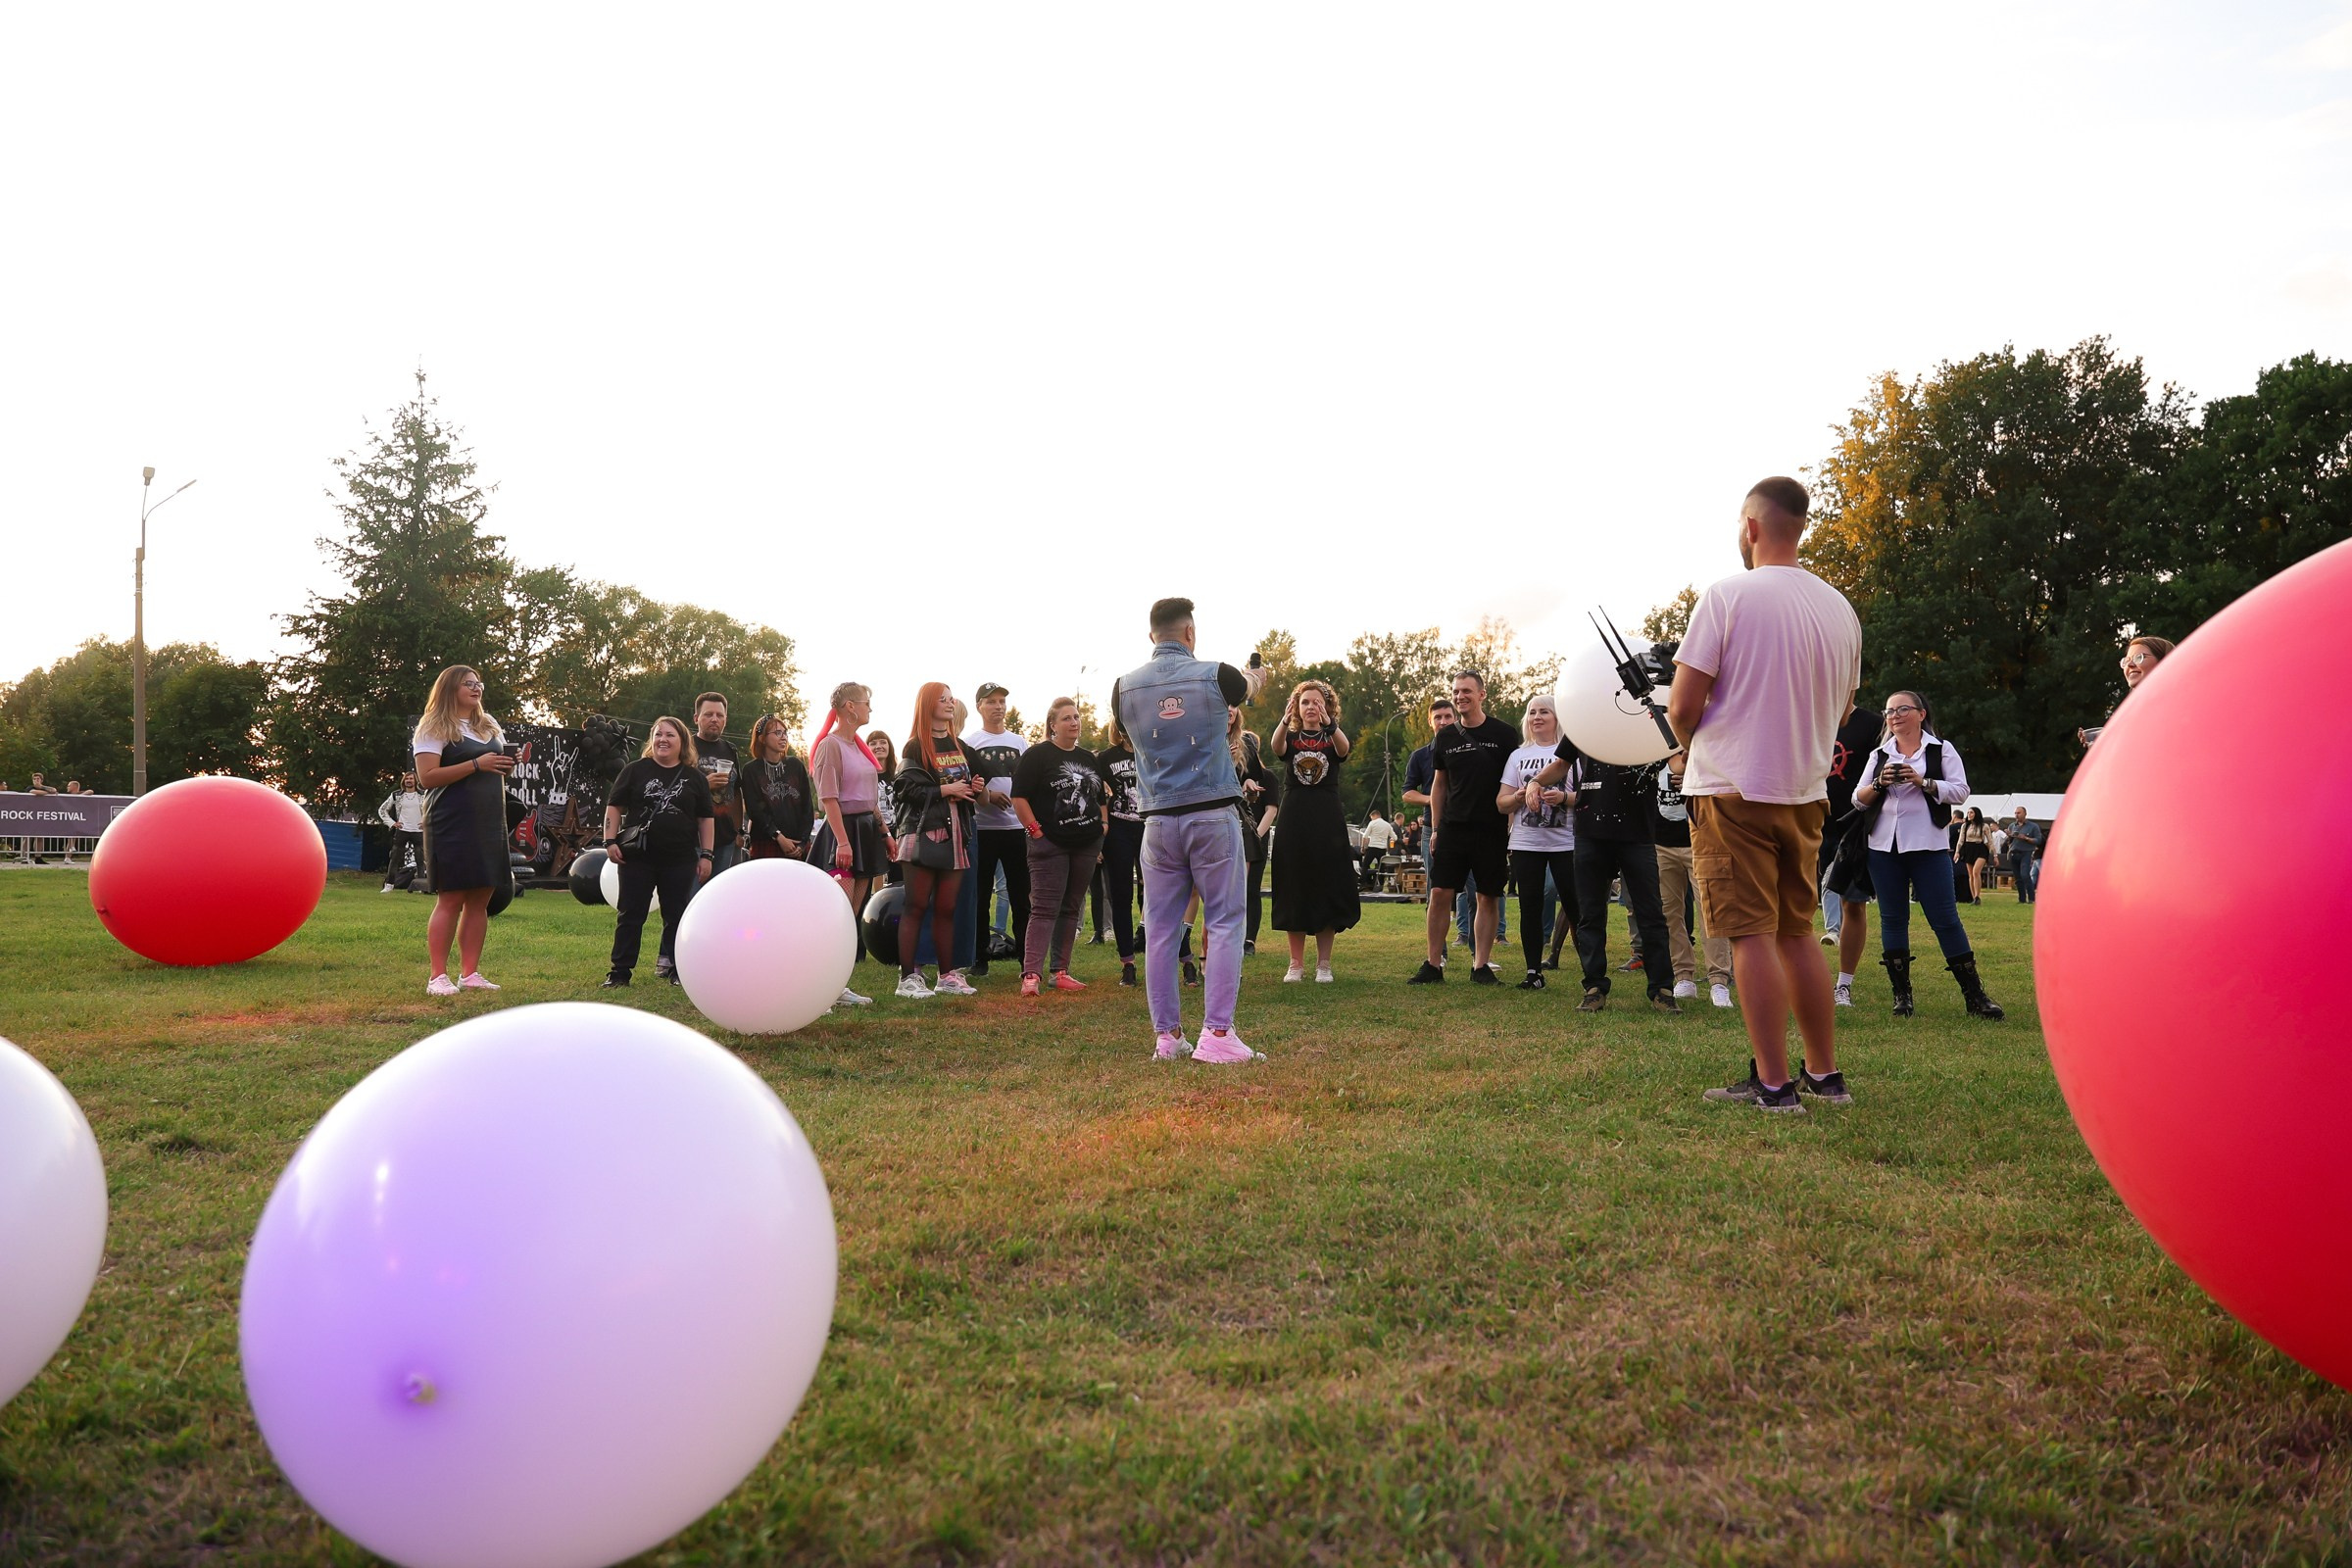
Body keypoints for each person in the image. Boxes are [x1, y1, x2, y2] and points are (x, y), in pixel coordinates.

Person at [1668, 476, 1863, 1113]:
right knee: (1796, 932)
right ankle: (1825, 1076)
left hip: (1729, 786)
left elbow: (1683, 705)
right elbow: (1842, 710)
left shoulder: (1726, 596)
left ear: (1751, 527)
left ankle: (1775, 1086)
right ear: (1799, 526)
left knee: (1748, 934)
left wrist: (1685, 745)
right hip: (1805, 794)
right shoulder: (1839, 609)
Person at [1110, 596, 1268, 1062]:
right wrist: (1257, 672)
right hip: (1212, 813)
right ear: (1190, 633)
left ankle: (1167, 1037)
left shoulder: (1122, 687)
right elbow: (1251, 685)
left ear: (1152, 635)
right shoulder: (1217, 675)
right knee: (1223, 921)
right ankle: (1217, 1036)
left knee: (1159, 928)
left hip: (1156, 820)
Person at [1849, 691, 2005, 1020]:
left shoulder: (1941, 750)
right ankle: (1901, 996)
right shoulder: (1879, 754)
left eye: (1902, 709)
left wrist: (1925, 782)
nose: (1894, 715)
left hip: (1929, 846)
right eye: (1889, 711)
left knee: (1945, 919)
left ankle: (1974, 995)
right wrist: (1879, 783)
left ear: (1921, 714)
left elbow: (1961, 791)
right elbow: (1858, 800)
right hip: (1883, 847)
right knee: (1893, 919)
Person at [1533, 743, 1677, 1013]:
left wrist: (1687, 767)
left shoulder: (1645, 715)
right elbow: (1562, 763)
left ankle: (1662, 990)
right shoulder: (1585, 715)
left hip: (1638, 833)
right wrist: (1535, 781)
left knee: (1651, 913)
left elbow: (1677, 756)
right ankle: (1594, 988)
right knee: (1590, 914)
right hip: (1590, 832)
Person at [410, 664, 516, 996]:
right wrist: (476, 764)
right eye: (468, 684)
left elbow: (491, 766)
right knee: (451, 898)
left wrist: (501, 765)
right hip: (451, 821)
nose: (476, 688)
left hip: (489, 820)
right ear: (450, 688)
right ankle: (437, 977)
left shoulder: (488, 724)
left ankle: (470, 974)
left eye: (478, 683)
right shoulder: (433, 725)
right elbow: (427, 777)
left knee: (481, 898)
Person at [1409, 672, 1518, 985]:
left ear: (1482, 694)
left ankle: (1481, 966)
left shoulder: (1504, 734)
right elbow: (1439, 785)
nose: (1460, 696)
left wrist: (1511, 827)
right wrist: (1437, 828)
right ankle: (1433, 965)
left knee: (1487, 896)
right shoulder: (1446, 737)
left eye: (1467, 691)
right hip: (1453, 828)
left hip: (1491, 829)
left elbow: (1513, 783)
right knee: (1440, 892)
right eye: (1456, 691)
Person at [599, 715, 714, 987]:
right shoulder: (635, 770)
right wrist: (609, 840)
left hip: (680, 859)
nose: (663, 739)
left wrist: (707, 854)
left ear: (682, 741)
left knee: (676, 915)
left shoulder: (695, 778)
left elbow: (705, 819)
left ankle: (678, 970)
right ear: (652, 740)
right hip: (638, 857)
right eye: (658, 734)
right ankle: (619, 973)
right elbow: (614, 806)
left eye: (670, 735)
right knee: (630, 915)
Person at [1010, 697, 1107, 996]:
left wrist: (1102, 828)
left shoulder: (1089, 759)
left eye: (1076, 716)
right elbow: (1019, 797)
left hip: (1086, 844)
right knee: (1043, 908)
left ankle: (1060, 971)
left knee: (1071, 906)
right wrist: (1035, 831)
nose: (1074, 722)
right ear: (1052, 725)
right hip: (1049, 844)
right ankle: (1031, 975)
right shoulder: (1038, 756)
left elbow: (1100, 800)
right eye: (1066, 718)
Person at [892, 681, 983, 1000]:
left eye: (950, 698)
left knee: (947, 907)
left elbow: (970, 786)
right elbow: (905, 790)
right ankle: (908, 980)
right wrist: (947, 790)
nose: (949, 703)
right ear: (928, 704)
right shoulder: (915, 746)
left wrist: (974, 786)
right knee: (916, 906)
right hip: (923, 833)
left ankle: (947, 976)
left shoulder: (960, 747)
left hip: (959, 833)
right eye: (942, 699)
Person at [1268, 678, 1360, 983]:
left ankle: (1324, 964)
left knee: (1326, 885)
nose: (1311, 707)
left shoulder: (1332, 737)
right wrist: (1284, 720)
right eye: (1305, 702)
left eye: (1317, 702)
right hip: (1295, 818)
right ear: (1295, 707)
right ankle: (1296, 963)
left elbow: (1344, 750)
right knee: (1295, 886)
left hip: (1326, 817)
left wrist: (1330, 725)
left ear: (1328, 706)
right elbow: (1276, 746)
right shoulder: (1291, 737)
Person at [810, 682, 889, 1007]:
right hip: (842, 835)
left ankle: (836, 987)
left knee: (849, 917)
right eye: (866, 702)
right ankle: (815, 989)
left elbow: (869, 798)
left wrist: (885, 834)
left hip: (866, 832)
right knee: (833, 915)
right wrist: (842, 841)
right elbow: (828, 797)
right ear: (850, 707)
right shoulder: (830, 745)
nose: (871, 708)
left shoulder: (857, 746)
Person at [1495, 695, 1579, 990]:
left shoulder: (1571, 752)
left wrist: (1564, 798)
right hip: (1526, 842)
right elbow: (1501, 803)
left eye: (1545, 711)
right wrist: (1518, 796)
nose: (1537, 717)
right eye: (1532, 712)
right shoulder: (1518, 756)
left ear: (1558, 717)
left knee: (1575, 905)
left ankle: (1590, 973)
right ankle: (1533, 972)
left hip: (1565, 842)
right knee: (1529, 906)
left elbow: (1589, 797)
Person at [1819, 702, 1885, 1006]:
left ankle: (1843, 985)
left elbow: (1882, 776)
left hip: (1852, 828)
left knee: (1853, 904)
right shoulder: (1803, 717)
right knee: (1792, 904)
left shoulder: (1872, 724)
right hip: (1804, 822)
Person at [963, 683, 1030, 977]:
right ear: (979, 706)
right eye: (991, 702)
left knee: (1020, 895)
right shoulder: (970, 742)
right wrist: (988, 798)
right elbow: (966, 784)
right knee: (980, 896)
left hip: (1016, 829)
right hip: (983, 828)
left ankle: (1027, 958)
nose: (998, 706)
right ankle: (979, 957)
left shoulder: (1019, 742)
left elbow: (1028, 782)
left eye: (1002, 701)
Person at [1094, 713, 1147, 985]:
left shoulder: (1152, 751)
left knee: (1152, 896)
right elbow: (1095, 794)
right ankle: (1128, 962)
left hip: (1150, 829)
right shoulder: (1104, 758)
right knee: (1121, 895)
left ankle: (1166, 954)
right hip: (1119, 830)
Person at [1649, 750, 1701, 1002]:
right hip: (1662, 844)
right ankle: (1683, 976)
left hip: (1701, 842)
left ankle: (1719, 979)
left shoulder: (1705, 750)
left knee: (1710, 913)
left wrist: (1696, 780)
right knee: (1670, 914)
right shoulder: (1651, 757)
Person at [742, 714, 813, 861]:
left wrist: (802, 843)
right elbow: (754, 811)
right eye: (777, 733)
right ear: (762, 738)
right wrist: (778, 836)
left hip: (797, 844)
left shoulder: (796, 765)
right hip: (766, 843)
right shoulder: (751, 770)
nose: (783, 737)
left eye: (785, 732)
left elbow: (807, 807)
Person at [2081, 634, 2175, 746]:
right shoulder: (2131, 711)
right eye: (2126, 660)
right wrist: (2105, 741)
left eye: (2139, 657)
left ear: (2164, 661)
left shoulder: (2174, 706)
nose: (2129, 665)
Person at [690, 693, 743, 874]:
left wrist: (738, 830)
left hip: (725, 838)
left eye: (719, 715)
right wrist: (704, 785)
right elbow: (672, 787)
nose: (714, 719)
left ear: (725, 720)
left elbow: (736, 793)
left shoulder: (730, 750)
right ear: (696, 718)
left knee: (719, 897)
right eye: (708, 714)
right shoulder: (684, 747)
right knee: (693, 897)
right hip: (692, 837)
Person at [376, 770, 425, 892]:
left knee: (420, 859)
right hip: (402, 830)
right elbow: (382, 810)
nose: (409, 781)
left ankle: (421, 886)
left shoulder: (423, 795)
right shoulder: (396, 795)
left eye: (411, 779)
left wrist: (426, 822)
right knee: (395, 858)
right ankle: (389, 885)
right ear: (404, 781)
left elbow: (432, 809)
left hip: (418, 830)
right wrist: (392, 823)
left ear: (416, 781)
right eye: (407, 779)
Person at [865, 729, 904, 884]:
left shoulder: (900, 775)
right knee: (873, 880)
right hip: (872, 833)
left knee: (898, 880)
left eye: (883, 742)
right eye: (873, 743)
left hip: (898, 835)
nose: (878, 746)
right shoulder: (864, 775)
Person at [1955, 806, 1994, 904]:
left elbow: (1990, 841)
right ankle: (1974, 898)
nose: (1969, 814)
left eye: (1971, 812)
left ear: (1976, 814)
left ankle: (1977, 896)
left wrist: (1995, 855)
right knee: (1971, 875)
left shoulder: (1984, 826)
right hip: (1968, 849)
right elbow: (1960, 840)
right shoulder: (1965, 826)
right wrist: (1957, 852)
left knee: (1976, 872)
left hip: (1980, 849)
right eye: (1968, 813)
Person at [2008, 806, 2044, 903]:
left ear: (2025, 814)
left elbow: (2038, 840)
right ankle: (2022, 899)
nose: (2016, 815)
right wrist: (2009, 836)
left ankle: (2031, 898)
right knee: (2017, 878)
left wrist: (2026, 838)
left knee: (2025, 875)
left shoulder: (2033, 826)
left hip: (2026, 852)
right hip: (2013, 852)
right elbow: (2010, 841)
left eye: (2019, 813)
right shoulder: (2012, 826)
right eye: (2015, 813)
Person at [1360, 807, 1396, 889]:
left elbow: (1365, 836)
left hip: (1372, 847)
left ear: (1375, 815)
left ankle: (1363, 884)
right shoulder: (1387, 825)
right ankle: (1381, 884)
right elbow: (1395, 837)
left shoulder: (1372, 823)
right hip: (1382, 849)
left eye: (1371, 818)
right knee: (1381, 867)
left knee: (1365, 865)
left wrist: (1363, 847)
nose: (1371, 819)